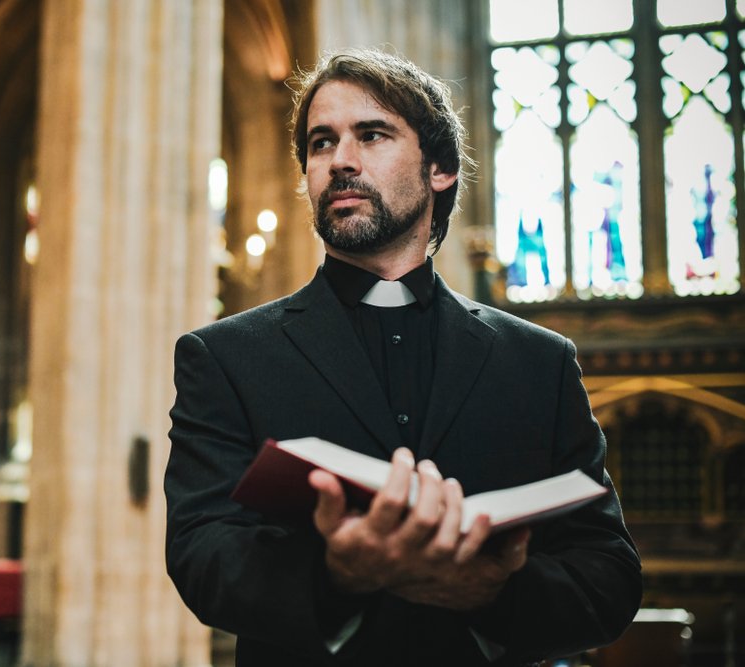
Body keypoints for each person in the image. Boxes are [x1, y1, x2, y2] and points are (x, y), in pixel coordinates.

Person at [164, 48, 641, 666]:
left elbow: (608, 577)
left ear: (440, 168)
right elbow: (203, 557)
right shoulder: (225, 356)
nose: (341, 161)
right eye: (320, 143)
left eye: (372, 134)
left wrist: (492, 591)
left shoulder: (538, 363)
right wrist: (337, 574)